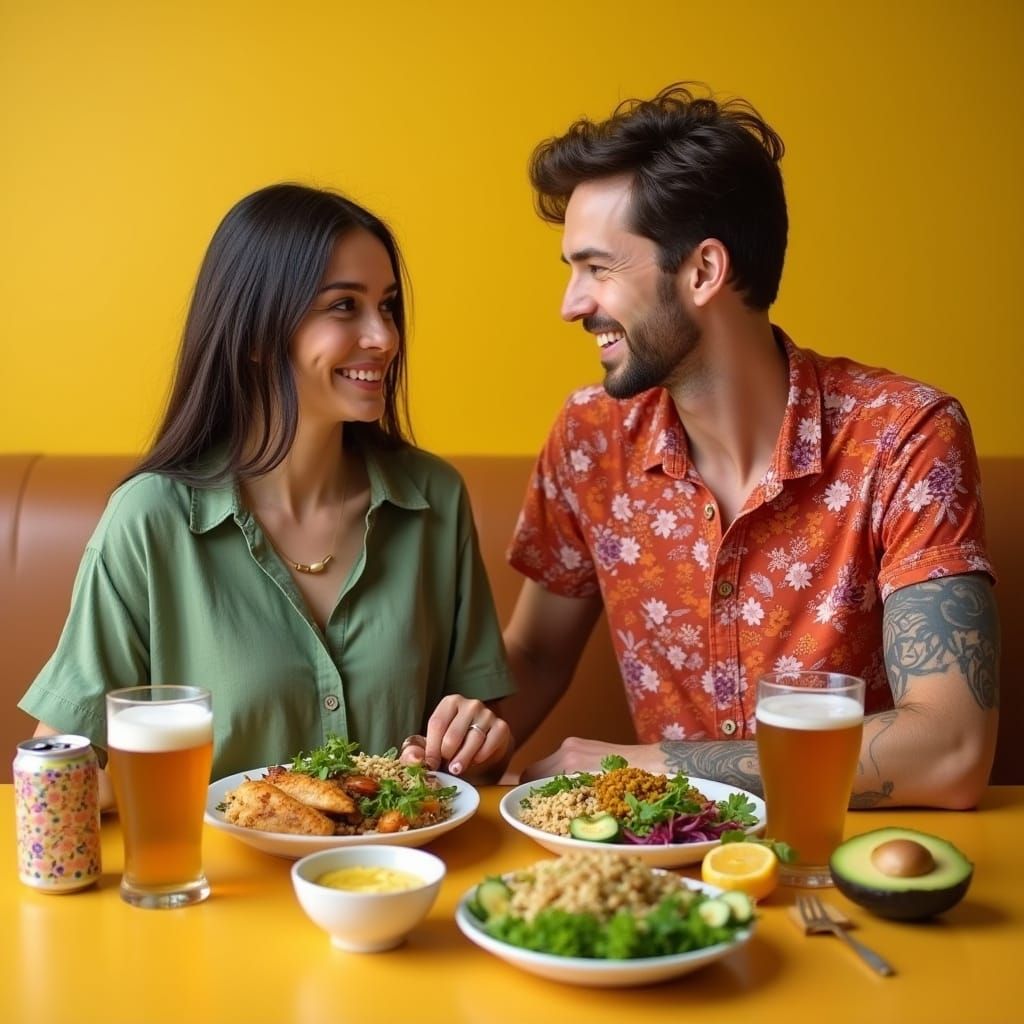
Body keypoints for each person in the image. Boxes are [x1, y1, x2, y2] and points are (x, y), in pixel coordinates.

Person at [498, 84, 999, 809]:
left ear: (703, 271)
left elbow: (950, 748)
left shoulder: (904, 436)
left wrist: (650, 767)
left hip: (846, 856)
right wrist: (465, 735)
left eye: (598, 268)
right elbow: (538, 654)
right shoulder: (590, 438)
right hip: (661, 880)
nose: (571, 304)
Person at [19, 183, 515, 807]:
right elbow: (56, 772)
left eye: (386, 306)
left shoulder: (434, 501)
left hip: (393, 890)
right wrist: (166, 794)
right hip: (217, 892)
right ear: (256, 334)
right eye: (344, 306)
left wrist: (471, 744)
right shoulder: (150, 521)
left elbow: (477, 746)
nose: (384, 337)